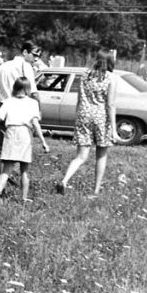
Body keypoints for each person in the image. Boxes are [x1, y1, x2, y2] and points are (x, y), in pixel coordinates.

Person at [57, 50, 116, 196]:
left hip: (83, 115)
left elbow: (79, 99)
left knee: (81, 156)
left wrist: (78, 117)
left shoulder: (84, 75)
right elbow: (110, 105)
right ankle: (95, 190)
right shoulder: (110, 78)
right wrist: (114, 129)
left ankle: (64, 180)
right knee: (101, 155)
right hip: (101, 118)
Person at [0, 77, 50, 203]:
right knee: (25, 168)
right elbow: (35, 123)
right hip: (25, 133)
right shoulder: (33, 103)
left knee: (6, 168)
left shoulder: (8, 101)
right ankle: (23, 197)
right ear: (28, 89)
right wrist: (43, 142)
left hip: (11, 132)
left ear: (15, 88)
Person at [0, 43, 41, 171]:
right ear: (25, 52)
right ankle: (12, 176)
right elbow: (33, 92)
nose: (36, 59)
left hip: (4, 107)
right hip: (21, 108)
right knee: (21, 146)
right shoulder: (26, 66)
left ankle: (2, 177)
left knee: (3, 146)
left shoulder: (3, 66)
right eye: (34, 55)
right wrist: (39, 110)